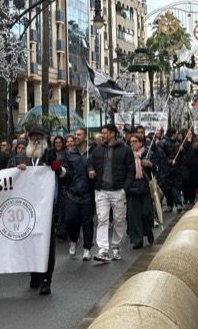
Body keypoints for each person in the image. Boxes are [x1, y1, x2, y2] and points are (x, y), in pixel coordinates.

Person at [11, 125, 66, 295]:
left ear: (44, 139)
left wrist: (55, 166)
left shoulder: (50, 156)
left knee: (47, 244)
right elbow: (6, 178)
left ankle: (46, 279)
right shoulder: (20, 157)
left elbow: (64, 175)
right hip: (26, 210)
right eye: (33, 137)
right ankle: (34, 273)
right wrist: (16, 170)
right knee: (30, 243)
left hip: (47, 209)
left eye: (39, 137)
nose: (35, 140)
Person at [88, 124, 133, 262]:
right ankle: (103, 249)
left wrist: (125, 188)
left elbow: (130, 169)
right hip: (101, 190)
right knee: (102, 219)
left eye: (105, 133)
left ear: (112, 134)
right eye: (102, 133)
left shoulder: (125, 149)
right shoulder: (97, 150)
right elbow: (91, 163)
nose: (102, 135)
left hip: (118, 190)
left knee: (119, 220)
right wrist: (91, 170)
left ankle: (116, 246)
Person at [64, 129, 95, 260]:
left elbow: (98, 167)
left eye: (79, 135)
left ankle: (87, 248)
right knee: (70, 219)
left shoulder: (93, 153)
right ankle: (74, 239)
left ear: (86, 137)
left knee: (87, 221)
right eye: (75, 135)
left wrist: (94, 172)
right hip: (72, 193)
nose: (76, 137)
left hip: (88, 193)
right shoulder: (70, 154)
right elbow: (65, 171)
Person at [125, 134, 156, 249]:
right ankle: (138, 240)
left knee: (146, 213)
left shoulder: (149, 154)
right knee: (134, 215)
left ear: (141, 142)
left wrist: (150, 165)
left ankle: (148, 230)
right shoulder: (127, 156)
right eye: (131, 141)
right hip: (132, 188)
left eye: (135, 141)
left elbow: (157, 169)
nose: (132, 143)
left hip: (145, 187)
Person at [178, 131, 198, 209]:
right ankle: (186, 197)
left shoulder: (196, 144)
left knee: (192, 182)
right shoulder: (183, 143)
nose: (189, 135)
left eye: (190, 134)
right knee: (185, 180)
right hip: (185, 165)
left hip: (194, 166)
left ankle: (191, 198)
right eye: (188, 134)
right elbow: (181, 153)